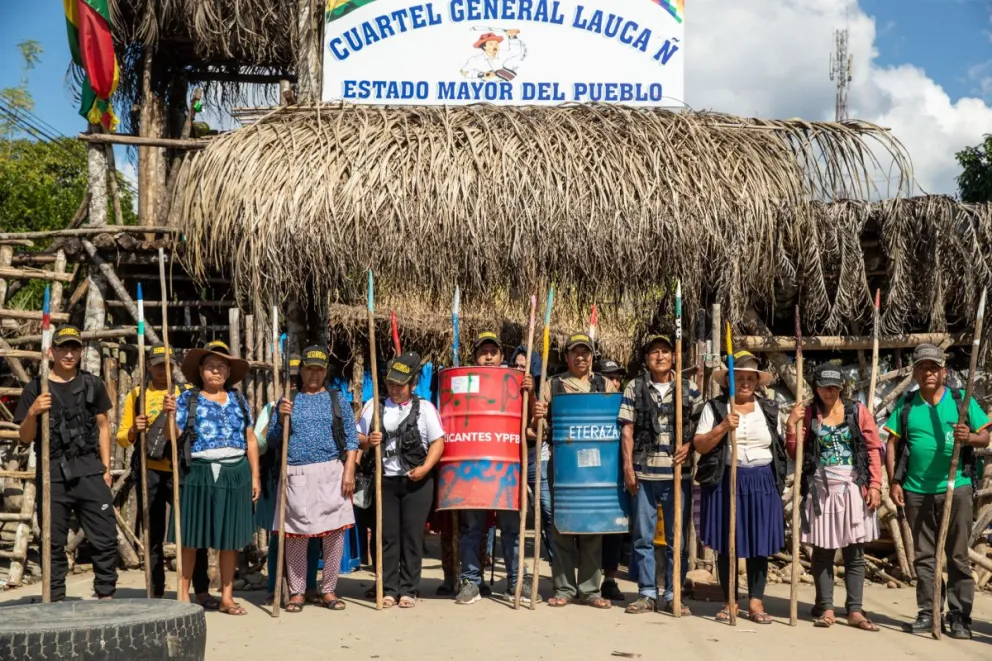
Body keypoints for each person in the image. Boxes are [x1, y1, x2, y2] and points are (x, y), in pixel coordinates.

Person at [884, 343, 990, 639]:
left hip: (957, 488)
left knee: (957, 555)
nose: (928, 373)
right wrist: (894, 482)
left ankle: (959, 616)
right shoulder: (906, 405)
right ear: (915, 373)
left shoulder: (961, 401)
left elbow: (984, 437)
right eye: (922, 368)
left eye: (934, 367)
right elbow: (891, 444)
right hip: (916, 490)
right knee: (925, 556)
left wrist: (968, 437)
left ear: (944, 372)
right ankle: (929, 612)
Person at [14, 324, 117, 602]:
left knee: (105, 536)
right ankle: (55, 598)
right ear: (52, 352)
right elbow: (25, 437)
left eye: (74, 348)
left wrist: (106, 469)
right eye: (63, 349)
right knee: (52, 540)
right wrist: (33, 412)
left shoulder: (92, 384)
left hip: (89, 469)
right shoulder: (37, 388)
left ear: (80, 352)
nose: (69, 354)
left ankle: (106, 594)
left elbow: (104, 427)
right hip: (53, 474)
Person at [163, 340, 260, 614]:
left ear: (228, 372)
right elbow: (174, 436)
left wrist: (255, 476)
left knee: (230, 539)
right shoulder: (187, 399)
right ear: (200, 371)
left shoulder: (239, 400)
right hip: (198, 472)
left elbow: (250, 439)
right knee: (190, 537)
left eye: (221, 366)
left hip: (235, 472)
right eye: (210, 366)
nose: (215, 371)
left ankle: (227, 597)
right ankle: (183, 596)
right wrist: (169, 415)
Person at [784, 363, 883, 631]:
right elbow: (794, 453)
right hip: (820, 489)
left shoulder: (857, 411)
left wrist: (875, 484)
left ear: (841, 387)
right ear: (815, 388)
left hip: (853, 487)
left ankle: (855, 610)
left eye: (834, 387)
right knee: (823, 550)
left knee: (855, 551)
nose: (829, 391)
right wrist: (791, 425)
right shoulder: (808, 414)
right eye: (824, 387)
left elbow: (873, 448)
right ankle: (826, 607)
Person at [691, 351, 786, 624]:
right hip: (727, 479)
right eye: (738, 378)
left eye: (750, 378)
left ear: (757, 382)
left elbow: (780, 447)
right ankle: (730, 600)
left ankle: (756, 602)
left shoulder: (769, 409)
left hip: (761, 480)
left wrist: (791, 427)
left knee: (759, 542)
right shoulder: (715, 408)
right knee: (727, 541)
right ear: (728, 382)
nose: (744, 383)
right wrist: (723, 427)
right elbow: (700, 445)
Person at [117, 344, 215, 604]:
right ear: (149, 366)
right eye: (158, 365)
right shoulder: (137, 395)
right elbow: (121, 438)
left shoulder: (185, 394)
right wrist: (134, 430)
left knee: (193, 531)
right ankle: (156, 591)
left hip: (181, 471)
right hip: (149, 472)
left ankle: (201, 590)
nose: (163, 370)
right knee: (153, 532)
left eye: (167, 366)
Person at [266, 346, 359, 612]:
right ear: (301, 370)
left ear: (325, 371)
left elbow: (351, 438)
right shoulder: (289, 399)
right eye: (309, 369)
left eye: (319, 370)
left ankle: (328, 589)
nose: (314, 375)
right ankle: (297, 592)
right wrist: (280, 418)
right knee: (296, 534)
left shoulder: (336, 399)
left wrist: (349, 470)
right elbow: (273, 440)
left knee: (334, 535)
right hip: (296, 473)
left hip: (331, 472)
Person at [533, 332, 618, 609]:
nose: (580, 357)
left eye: (585, 352)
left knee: (593, 526)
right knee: (561, 527)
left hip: (597, 467)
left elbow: (615, 420)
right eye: (575, 352)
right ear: (567, 356)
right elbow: (537, 429)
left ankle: (591, 590)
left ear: (592, 356)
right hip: (562, 466)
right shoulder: (552, 385)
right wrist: (538, 414)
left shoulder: (604, 384)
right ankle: (564, 588)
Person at [454, 331, 539, 606]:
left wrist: (530, 392)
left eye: (493, 352)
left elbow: (531, 425)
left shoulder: (515, 382)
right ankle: (471, 581)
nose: (488, 357)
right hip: (473, 469)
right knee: (472, 528)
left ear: (502, 356)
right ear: (475, 356)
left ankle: (516, 582)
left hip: (507, 469)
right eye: (483, 352)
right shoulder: (465, 381)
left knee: (513, 529)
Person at [619, 337, 702, 615]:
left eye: (665, 351)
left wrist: (689, 446)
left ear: (674, 357)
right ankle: (646, 593)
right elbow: (627, 430)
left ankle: (673, 593)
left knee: (677, 540)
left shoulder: (689, 388)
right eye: (654, 352)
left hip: (678, 475)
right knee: (643, 537)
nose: (660, 356)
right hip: (644, 474)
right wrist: (628, 467)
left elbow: (702, 426)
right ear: (647, 358)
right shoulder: (635, 386)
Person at [358, 351, 446, 608]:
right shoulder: (374, 406)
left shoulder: (425, 409)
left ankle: (408, 589)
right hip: (384, 481)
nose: (395, 389)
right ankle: (388, 588)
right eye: (391, 384)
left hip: (416, 482)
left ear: (412, 384)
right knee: (387, 536)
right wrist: (369, 440)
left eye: (400, 385)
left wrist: (425, 468)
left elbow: (438, 442)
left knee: (411, 536)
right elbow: (357, 437)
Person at [254, 354, 322, 605]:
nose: (293, 385)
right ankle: (274, 586)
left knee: (311, 533)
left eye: (296, 379)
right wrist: (278, 419)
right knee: (278, 536)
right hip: (278, 477)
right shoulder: (272, 407)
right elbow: (262, 444)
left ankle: (308, 586)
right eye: (289, 380)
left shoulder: (315, 404)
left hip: (307, 476)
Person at [511, 345, 553, 566]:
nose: (520, 371)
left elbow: (538, 431)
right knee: (507, 510)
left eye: (524, 367)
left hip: (536, 457)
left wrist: (531, 394)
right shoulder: (505, 390)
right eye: (516, 366)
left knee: (546, 508)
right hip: (511, 457)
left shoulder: (542, 391)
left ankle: (556, 561)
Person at [596, 357, 628, 603]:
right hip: (591, 473)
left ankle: (609, 579)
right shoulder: (590, 403)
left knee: (615, 528)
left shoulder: (626, 403)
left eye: (617, 378)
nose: (614, 382)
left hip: (617, 471)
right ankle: (587, 580)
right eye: (609, 377)